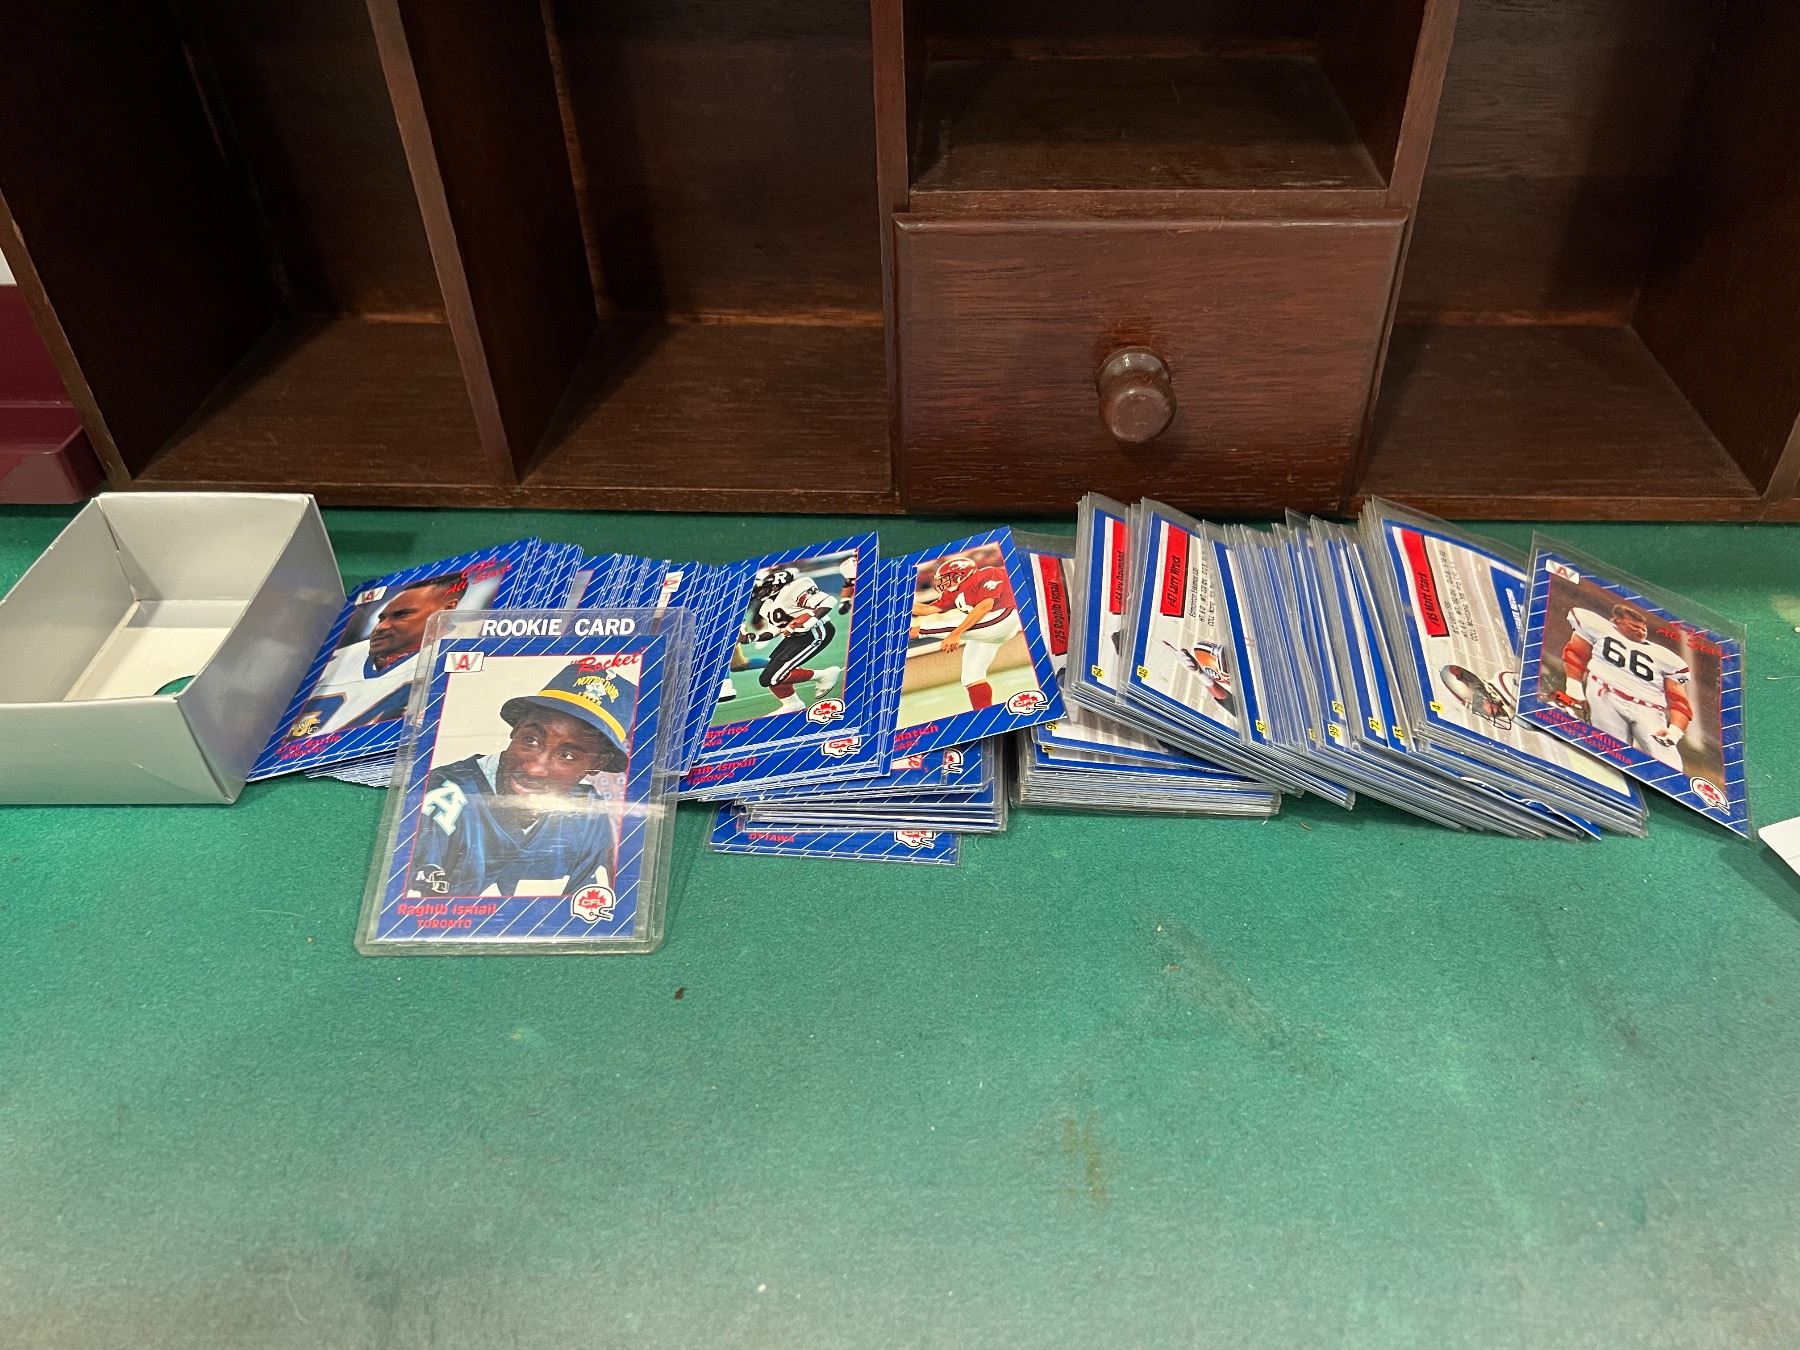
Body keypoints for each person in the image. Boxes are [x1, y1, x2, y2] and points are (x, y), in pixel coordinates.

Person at [408, 661, 630, 900]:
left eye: (567, 756)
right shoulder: (443, 795)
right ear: (516, 728)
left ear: (597, 764)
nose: (534, 768)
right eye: (531, 740)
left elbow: (590, 909)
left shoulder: (588, 813)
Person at [286, 573, 467, 738]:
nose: (381, 627)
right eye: (382, 618)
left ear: (446, 610)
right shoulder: (336, 659)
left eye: (401, 615)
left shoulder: (467, 651)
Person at [1559, 601, 1691, 768]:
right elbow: (1576, 654)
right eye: (1634, 626)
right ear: (1616, 621)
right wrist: (1574, 688)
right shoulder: (1599, 628)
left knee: (1670, 763)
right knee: (1608, 753)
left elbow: (1679, 701)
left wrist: (1675, 732)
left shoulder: (1665, 657)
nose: (1641, 631)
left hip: (1648, 709)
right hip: (1604, 695)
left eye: (1644, 628)